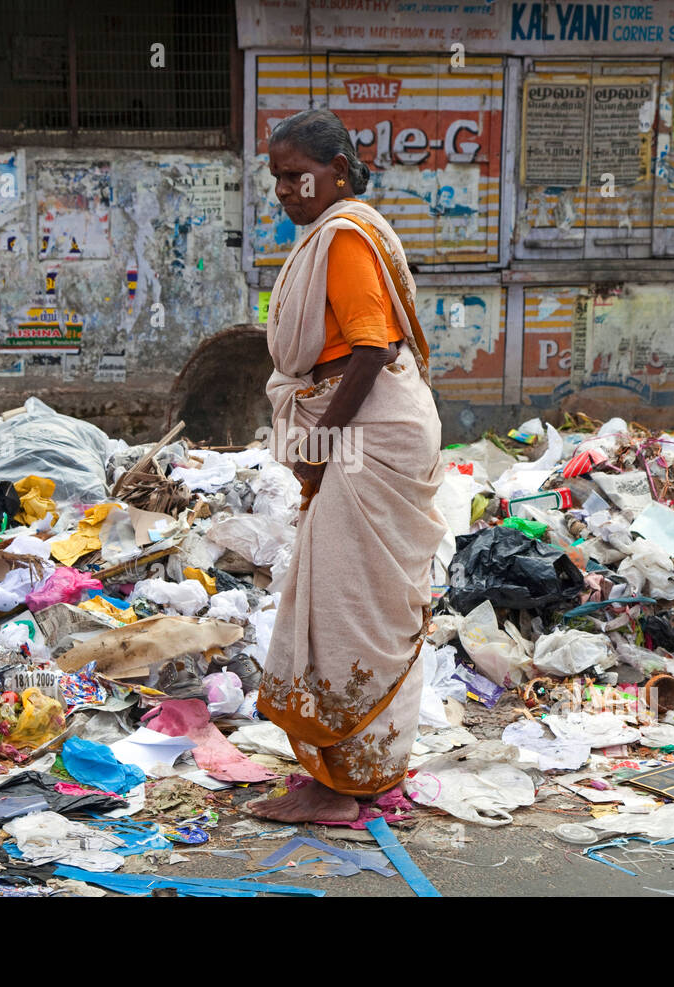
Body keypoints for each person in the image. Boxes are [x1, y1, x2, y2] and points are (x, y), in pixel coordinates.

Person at [248, 108, 445, 822]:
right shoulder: (332, 232)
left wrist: (320, 446)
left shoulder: (346, 238)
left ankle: (348, 786)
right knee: (345, 601)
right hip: (366, 428)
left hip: (373, 434)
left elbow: (371, 349)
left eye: (297, 176)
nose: (286, 191)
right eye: (276, 179)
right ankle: (347, 772)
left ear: (336, 170)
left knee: (352, 607)